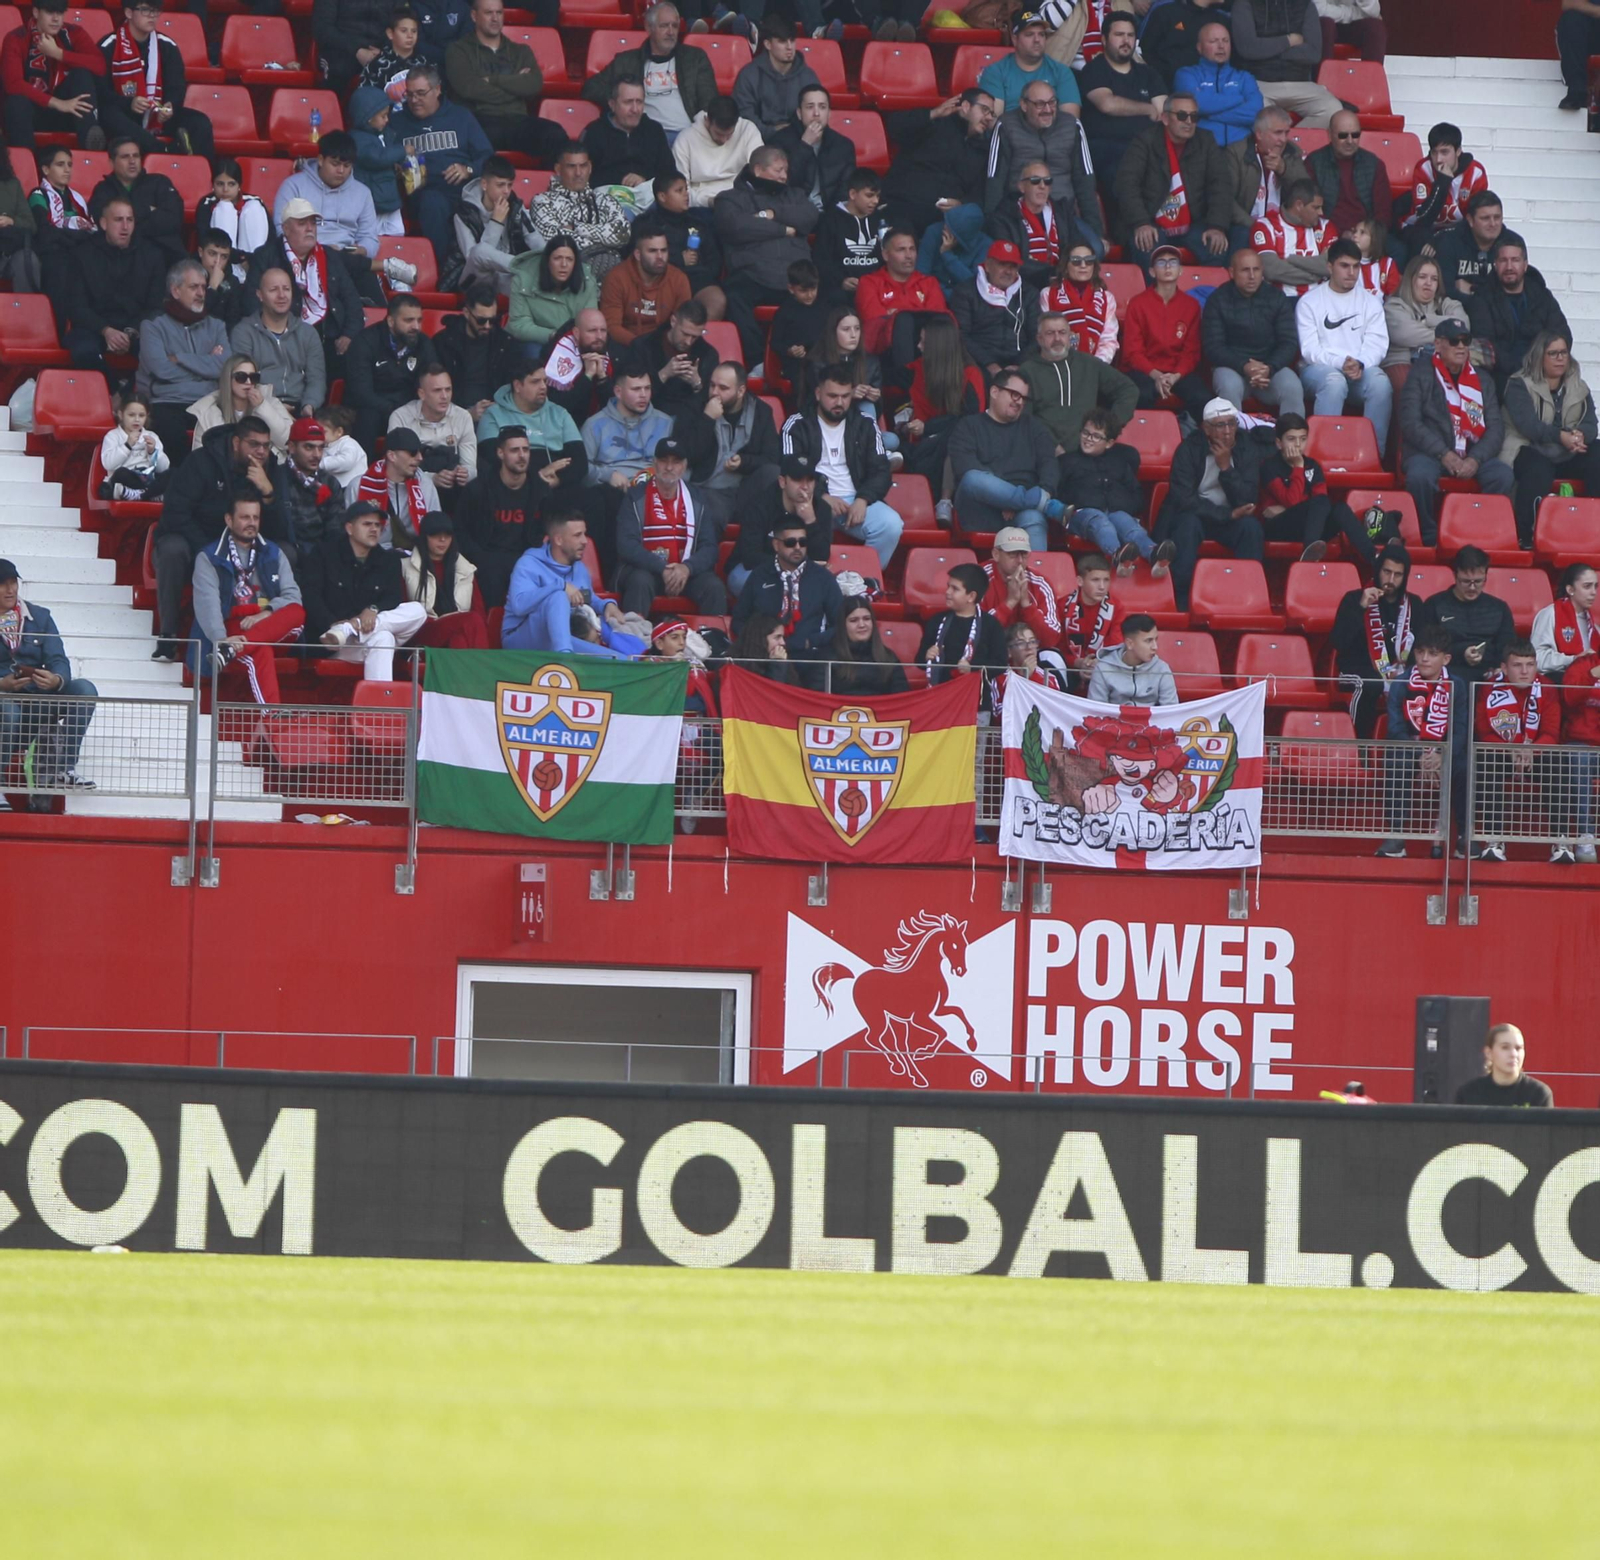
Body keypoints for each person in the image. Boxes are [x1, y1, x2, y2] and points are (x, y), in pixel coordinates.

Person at [151, 415, 280, 657]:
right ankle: (168, 634)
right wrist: (211, 551)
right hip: (195, 543)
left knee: (287, 552)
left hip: (245, 548)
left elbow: (280, 528)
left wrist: (269, 493)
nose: (261, 452)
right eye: (254, 444)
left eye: (266, 445)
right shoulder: (201, 462)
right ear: (235, 443)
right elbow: (175, 514)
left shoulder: (270, 468)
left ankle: (269, 636)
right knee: (172, 549)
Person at [1399, 318, 1514, 547]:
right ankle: (1429, 537)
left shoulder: (1482, 379)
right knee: (1419, 476)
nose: (1461, 347)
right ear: (1439, 344)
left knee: (1502, 476)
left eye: (1465, 341)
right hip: (1431, 453)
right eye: (1454, 341)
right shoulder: (1420, 373)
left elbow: (1495, 427)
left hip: (1471, 453)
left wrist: (1476, 458)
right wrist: (1444, 453)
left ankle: (1476, 534)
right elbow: (1410, 422)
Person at [779, 367, 903, 567]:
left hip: (854, 500)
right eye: (833, 396)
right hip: (810, 500)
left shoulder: (865, 424)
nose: (839, 403)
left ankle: (861, 581)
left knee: (891, 525)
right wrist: (822, 496)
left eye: (845, 396)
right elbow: (789, 469)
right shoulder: (796, 425)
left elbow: (881, 470)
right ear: (818, 394)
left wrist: (863, 499)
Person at [191, 490, 304, 706]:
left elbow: (293, 596)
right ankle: (273, 716)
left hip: (269, 625)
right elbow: (208, 605)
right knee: (261, 649)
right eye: (244, 517)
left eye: (255, 517)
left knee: (297, 612)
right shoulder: (209, 556)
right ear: (229, 519)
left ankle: (231, 651)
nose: (251, 523)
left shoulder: (274, 552)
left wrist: (266, 613)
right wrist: (221, 639)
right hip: (232, 628)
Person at [0, 558, 98, 807]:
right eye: (2, 584)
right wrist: (3, 685)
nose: (10, 590)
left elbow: (57, 658)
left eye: (13, 583)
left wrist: (56, 680)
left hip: (38, 700)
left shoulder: (40, 616)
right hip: (5, 703)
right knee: (9, 708)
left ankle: (63, 770)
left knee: (85, 689)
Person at [1156, 396, 1265, 610]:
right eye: (1220, 425)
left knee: (1251, 528)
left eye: (1231, 423)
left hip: (1229, 516)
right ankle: (1180, 600)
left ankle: (1245, 598)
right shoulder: (1188, 449)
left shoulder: (1247, 448)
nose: (1227, 431)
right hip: (1194, 515)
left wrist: (1226, 468)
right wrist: (1226, 515)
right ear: (1206, 428)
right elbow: (1183, 499)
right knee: (1187, 527)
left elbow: (1248, 498)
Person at [1113, 94, 1239, 276]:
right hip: (1151, 220)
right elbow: (1126, 184)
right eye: (1181, 116)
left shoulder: (1206, 140)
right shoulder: (1145, 140)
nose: (1189, 122)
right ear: (1165, 118)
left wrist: (1217, 226)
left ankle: (1205, 299)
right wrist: (1140, 223)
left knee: (1216, 247)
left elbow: (1220, 185)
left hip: (1193, 222)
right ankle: (1155, 302)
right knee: (1149, 247)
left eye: (1194, 117)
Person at [303, 503, 429, 682]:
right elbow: (311, 597)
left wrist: (373, 609)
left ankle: (349, 629)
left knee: (417, 611)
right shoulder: (324, 554)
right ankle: (381, 709)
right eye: (367, 524)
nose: (374, 529)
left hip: (367, 634)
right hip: (334, 642)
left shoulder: (389, 560)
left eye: (377, 525)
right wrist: (331, 623)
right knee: (384, 639)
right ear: (349, 528)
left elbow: (393, 598)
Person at [715, 147, 820, 359]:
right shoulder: (730, 198)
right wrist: (784, 229)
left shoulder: (795, 195)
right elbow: (736, 227)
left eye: (786, 171)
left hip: (795, 278)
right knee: (733, 298)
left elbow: (809, 216)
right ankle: (757, 359)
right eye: (779, 170)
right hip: (753, 276)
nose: (784, 176)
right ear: (758, 169)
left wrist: (772, 214)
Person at [948, 366, 1068, 548]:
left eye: (1024, 398)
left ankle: (1036, 575)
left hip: (1023, 511)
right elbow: (964, 466)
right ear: (995, 391)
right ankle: (1039, 502)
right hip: (980, 510)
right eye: (1014, 394)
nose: (1019, 402)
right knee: (972, 477)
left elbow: (1049, 464)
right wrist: (1005, 498)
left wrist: (1019, 500)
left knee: (1034, 518)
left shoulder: (1034, 428)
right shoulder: (968, 426)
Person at [501, 505, 644, 657]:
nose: (585, 541)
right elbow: (519, 605)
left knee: (619, 660)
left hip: (561, 639)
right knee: (558, 596)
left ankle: (566, 654)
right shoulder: (529, 564)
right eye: (577, 535)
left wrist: (606, 605)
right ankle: (566, 662)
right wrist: (560, 587)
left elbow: (587, 597)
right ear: (558, 539)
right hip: (519, 639)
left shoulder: (580, 568)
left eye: (584, 534)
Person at [1376, 621, 1467, 858]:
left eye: (1432, 654)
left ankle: (1464, 837)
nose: (1424, 659)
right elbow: (1395, 729)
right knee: (1396, 759)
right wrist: (1422, 756)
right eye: (1420, 652)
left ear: (1445, 659)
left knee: (1465, 764)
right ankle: (1396, 836)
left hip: (1443, 749)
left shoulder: (1457, 685)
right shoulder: (1401, 683)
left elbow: (1460, 729)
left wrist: (1439, 755)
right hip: (1410, 747)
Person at [247, 198, 365, 377]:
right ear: (286, 228)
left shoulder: (329, 256)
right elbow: (251, 302)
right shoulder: (267, 256)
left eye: (313, 223)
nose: (310, 228)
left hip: (329, 339)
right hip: (285, 338)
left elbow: (352, 301)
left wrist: (348, 335)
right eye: (302, 223)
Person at [388, 64, 493, 267]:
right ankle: (443, 269)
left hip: (462, 190)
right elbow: (384, 157)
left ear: (437, 90)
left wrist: (468, 169)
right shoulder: (396, 122)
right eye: (409, 94)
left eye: (421, 93)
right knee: (432, 202)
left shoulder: (460, 116)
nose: (414, 100)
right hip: (422, 191)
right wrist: (395, 167)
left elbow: (487, 156)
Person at [1502, 335, 1600, 550]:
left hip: (1566, 450)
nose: (1560, 359)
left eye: (1563, 352)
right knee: (1538, 468)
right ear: (1539, 356)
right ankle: (1527, 535)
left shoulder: (1578, 385)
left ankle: (1595, 523)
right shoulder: (1519, 384)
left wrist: (1581, 435)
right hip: (1527, 446)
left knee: (1598, 453)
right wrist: (1561, 437)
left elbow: (1591, 422)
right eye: (1553, 353)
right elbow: (1528, 426)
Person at [1295, 238, 1392, 453]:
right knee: (1334, 381)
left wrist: (1360, 363)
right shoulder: (1309, 302)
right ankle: (1323, 455)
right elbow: (1310, 350)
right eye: (1344, 266)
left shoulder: (1371, 302)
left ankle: (1372, 456)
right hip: (1317, 372)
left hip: (1359, 370)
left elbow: (1377, 343)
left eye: (1356, 266)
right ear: (1330, 267)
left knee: (1380, 383)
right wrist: (1342, 363)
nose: (1352, 272)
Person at [612, 436, 725, 616]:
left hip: (686, 572)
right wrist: (661, 568)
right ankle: (634, 640)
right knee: (640, 581)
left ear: (685, 465)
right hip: (648, 570)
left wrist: (688, 568)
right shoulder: (636, 496)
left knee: (714, 587)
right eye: (664, 461)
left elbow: (710, 547)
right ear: (654, 463)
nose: (669, 467)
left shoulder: (697, 498)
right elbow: (626, 545)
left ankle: (712, 641)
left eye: (676, 462)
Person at [1474, 638, 1562, 863]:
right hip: (1503, 754)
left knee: (1560, 764)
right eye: (1517, 665)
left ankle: (1561, 841)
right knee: (1486, 760)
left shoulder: (1548, 687)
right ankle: (1494, 839)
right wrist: (1510, 749)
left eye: (1530, 665)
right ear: (1504, 667)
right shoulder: (1489, 688)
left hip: (1536, 754)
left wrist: (1532, 750)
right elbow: (1484, 732)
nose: (1525, 671)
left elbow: (1551, 732)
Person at [444, 0, 565, 165]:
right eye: (488, 13)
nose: (495, 18)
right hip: (481, 122)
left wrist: (493, 80)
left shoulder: (521, 51)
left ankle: (546, 188)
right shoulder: (458, 50)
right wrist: (516, 88)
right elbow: (469, 89)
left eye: (499, 13)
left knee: (556, 135)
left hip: (517, 121)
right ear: (474, 16)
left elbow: (534, 85)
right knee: (465, 141)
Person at [63, 195, 165, 381]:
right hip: (94, 328)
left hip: (135, 329)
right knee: (83, 350)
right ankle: (114, 394)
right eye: (118, 220)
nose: (125, 227)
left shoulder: (152, 256)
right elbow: (76, 306)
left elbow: (155, 306)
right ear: (103, 223)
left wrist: (130, 332)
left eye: (130, 220)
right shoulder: (82, 255)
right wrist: (105, 330)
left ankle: (131, 398)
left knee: (160, 352)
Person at [95, 0, 213, 161]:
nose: (152, 16)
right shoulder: (108, 45)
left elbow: (176, 86)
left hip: (156, 114)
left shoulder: (167, 45)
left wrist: (170, 105)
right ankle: (164, 150)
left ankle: (205, 175)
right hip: (124, 113)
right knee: (107, 114)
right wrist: (128, 103)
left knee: (200, 122)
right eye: (145, 10)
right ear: (129, 13)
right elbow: (100, 91)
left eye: (156, 10)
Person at [730, 513, 842, 680]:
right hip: (764, 662)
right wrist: (760, 643)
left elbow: (840, 626)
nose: (798, 547)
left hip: (809, 660)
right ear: (776, 544)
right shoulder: (760, 575)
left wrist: (810, 642)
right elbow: (739, 621)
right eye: (790, 543)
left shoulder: (823, 578)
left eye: (803, 542)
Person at [1058, 412, 1175, 570]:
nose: (1088, 439)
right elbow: (1057, 493)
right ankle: (1118, 556)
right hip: (1082, 514)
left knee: (1130, 526)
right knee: (1102, 524)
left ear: (1109, 443)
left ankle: (1154, 554)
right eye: (1086, 433)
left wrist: (1123, 506)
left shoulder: (1119, 463)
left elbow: (1136, 494)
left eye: (1096, 436)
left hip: (1115, 511)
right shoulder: (1066, 462)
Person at [137, 257, 230, 456]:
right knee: (170, 436)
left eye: (204, 287)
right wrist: (206, 366)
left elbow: (225, 367)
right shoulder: (153, 326)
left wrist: (180, 358)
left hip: (207, 402)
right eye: (193, 287)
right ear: (175, 290)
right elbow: (161, 370)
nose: (201, 293)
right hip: (167, 402)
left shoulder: (216, 326)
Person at [985, 82, 1097, 245]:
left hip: (1063, 215)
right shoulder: (1006, 125)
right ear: (1024, 105)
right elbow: (995, 178)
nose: (1048, 109)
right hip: (1018, 213)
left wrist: (1095, 229)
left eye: (1052, 102)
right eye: (1039, 104)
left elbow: (1085, 181)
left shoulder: (1072, 125)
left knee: (1095, 248)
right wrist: (992, 226)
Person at [880, 88, 996, 244]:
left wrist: (961, 203)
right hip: (904, 207)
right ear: (966, 106)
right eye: (985, 110)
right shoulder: (935, 123)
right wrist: (932, 114)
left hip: (943, 222)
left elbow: (979, 192)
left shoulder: (982, 150)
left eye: (992, 114)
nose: (988, 118)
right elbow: (895, 127)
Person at [1257, 412, 1373, 564]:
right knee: (1319, 502)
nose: (1298, 445)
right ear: (1279, 443)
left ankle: (1374, 558)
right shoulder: (1269, 466)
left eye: (1303, 439)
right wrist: (1298, 467)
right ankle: (1309, 551)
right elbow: (1292, 500)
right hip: (1278, 527)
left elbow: (1321, 503)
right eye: (1291, 439)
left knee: (1340, 508)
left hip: (1309, 525)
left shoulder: (1313, 466)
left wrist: (1285, 507)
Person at [583, 1, 716, 133]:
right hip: (643, 137)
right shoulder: (626, 61)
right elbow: (591, 88)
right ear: (648, 28)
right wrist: (620, 100)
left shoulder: (695, 58)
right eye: (664, 26)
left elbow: (710, 102)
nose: (670, 32)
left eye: (675, 26)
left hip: (686, 135)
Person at [1331, 540, 1421, 735]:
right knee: (1371, 682)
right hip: (1356, 670)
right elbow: (1339, 642)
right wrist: (1361, 607)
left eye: (1397, 575)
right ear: (1378, 570)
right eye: (1386, 572)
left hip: (1399, 671)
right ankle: (1358, 748)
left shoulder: (1414, 604)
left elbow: (1421, 644)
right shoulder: (1354, 598)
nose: (1391, 579)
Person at [1203, 246, 1305, 415]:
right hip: (1232, 368)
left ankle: (1291, 439)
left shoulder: (1276, 297)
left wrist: (1269, 368)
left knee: (1292, 386)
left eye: (1256, 270)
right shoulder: (1217, 300)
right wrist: (1244, 366)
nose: (1252, 276)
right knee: (1228, 386)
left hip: (1269, 369)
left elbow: (1288, 342)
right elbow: (1213, 347)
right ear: (1231, 272)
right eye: (1245, 270)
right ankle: (1236, 440)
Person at [1077, 11, 1165, 204]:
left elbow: (1163, 113)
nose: (1126, 41)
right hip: (1107, 151)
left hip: (1146, 148)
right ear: (1104, 39)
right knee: (1126, 180)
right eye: (1119, 35)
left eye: (1130, 35)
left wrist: (1154, 111)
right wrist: (1147, 109)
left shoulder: (1148, 74)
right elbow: (1107, 104)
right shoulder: (1093, 70)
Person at [1018, 311, 1138, 453]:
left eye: (1062, 332)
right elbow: (1025, 418)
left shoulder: (1088, 363)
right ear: (1039, 339)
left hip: (1088, 449)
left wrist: (1108, 427)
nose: (1057, 338)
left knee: (1130, 455)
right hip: (1047, 452)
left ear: (1070, 337)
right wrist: (1052, 447)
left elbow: (1128, 390)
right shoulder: (1027, 371)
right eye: (1050, 333)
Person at [451, 426, 543, 607]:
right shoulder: (477, 489)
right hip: (487, 558)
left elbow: (547, 529)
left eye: (525, 450)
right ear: (500, 453)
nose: (522, 455)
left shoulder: (540, 490)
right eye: (514, 450)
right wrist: (481, 559)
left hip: (526, 557)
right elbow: (460, 531)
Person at [1467, 240, 1571, 398]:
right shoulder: (1482, 297)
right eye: (1503, 260)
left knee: (1573, 373)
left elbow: (1562, 334)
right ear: (1495, 264)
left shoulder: (1542, 295)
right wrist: (1521, 370)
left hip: (1542, 372)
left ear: (1525, 265)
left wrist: (1539, 366)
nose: (1509, 267)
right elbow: (1485, 343)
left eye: (1515, 260)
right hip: (1501, 376)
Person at [1119, 243, 1208, 423]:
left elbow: (1191, 352)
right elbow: (1132, 352)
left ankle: (1194, 441)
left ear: (1181, 270)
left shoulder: (1191, 305)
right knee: (1140, 394)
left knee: (1202, 398)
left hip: (1178, 372)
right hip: (1146, 371)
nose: (1168, 266)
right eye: (1161, 263)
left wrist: (1174, 376)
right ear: (1151, 272)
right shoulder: (1137, 303)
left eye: (1173, 262)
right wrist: (1157, 375)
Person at [0, 0, 106, 151]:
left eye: (60, 12)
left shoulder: (74, 33)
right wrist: (56, 103)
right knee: (16, 101)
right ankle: (27, 161)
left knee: (81, 75)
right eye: (50, 12)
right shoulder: (16, 38)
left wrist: (59, 54)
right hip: (32, 113)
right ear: (36, 12)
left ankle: (91, 146)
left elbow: (100, 66)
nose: (56, 19)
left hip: (68, 113)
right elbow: (13, 84)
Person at [990, 161, 1104, 298]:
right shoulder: (1005, 216)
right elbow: (1010, 261)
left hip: (1062, 284)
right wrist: (1053, 272)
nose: (1042, 186)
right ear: (1021, 187)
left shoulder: (1062, 213)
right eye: (1035, 181)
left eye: (1047, 181)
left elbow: (1077, 246)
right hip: (1023, 287)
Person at [727, 450, 830, 597]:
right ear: (782, 482)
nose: (805, 487)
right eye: (798, 480)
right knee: (745, 581)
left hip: (802, 574)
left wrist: (810, 521)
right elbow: (750, 557)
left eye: (810, 480)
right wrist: (790, 567)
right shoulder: (760, 505)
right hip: (756, 569)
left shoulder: (821, 509)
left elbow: (822, 556)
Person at [344, 293, 437, 451]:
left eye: (419, 320)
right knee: (368, 417)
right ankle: (362, 472)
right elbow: (361, 393)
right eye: (409, 320)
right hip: (373, 410)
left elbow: (431, 380)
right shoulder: (365, 342)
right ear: (391, 321)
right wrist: (394, 410)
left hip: (409, 410)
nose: (416, 327)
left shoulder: (423, 343)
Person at [1229, 0, 1343, 129]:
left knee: (1334, 110)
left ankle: (1292, 143)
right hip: (1260, 83)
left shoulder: (1305, 5)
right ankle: (1281, 143)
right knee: (1258, 111)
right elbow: (1248, 49)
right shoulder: (1244, 4)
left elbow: (1313, 53)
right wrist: (1288, 41)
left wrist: (1266, 49)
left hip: (1300, 83)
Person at [673, 359, 779, 496]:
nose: (715, 392)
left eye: (723, 388)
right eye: (712, 385)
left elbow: (772, 458)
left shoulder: (761, 412)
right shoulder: (695, 406)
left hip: (744, 489)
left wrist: (744, 462)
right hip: (705, 489)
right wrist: (708, 419)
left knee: (773, 473)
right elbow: (684, 455)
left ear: (740, 391)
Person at [230, 268, 328, 418]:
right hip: (258, 407)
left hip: (301, 408)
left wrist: (309, 406)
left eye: (286, 289)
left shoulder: (307, 333)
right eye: (273, 290)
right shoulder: (244, 332)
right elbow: (244, 380)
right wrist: (271, 406)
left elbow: (317, 379)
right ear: (260, 295)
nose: (282, 295)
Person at [855, 226, 949, 370]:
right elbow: (874, 324)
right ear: (886, 255)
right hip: (886, 357)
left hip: (928, 353)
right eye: (901, 250)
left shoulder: (929, 282)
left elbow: (938, 322)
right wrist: (905, 317)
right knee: (903, 321)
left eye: (912, 249)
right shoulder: (869, 283)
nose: (909, 255)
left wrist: (895, 313)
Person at [475, 361, 587, 482]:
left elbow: (580, 463)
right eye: (535, 382)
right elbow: (491, 459)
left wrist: (558, 480)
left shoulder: (560, 414)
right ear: (517, 386)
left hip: (556, 484)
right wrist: (539, 477)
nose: (543, 386)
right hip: (513, 487)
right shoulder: (493, 414)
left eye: (544, 381)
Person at [1416, 543, 1514, 676]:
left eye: (1478, 581)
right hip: (1448, 672)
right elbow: (1426, 647)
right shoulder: (1434, 605)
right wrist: (1462, 653)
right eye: (1466, 581)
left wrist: (1490, 660)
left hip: (1488, 672)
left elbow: (1507, 648)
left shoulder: (1499, 608)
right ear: (1455, 576)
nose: (1472, 588)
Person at [952, 241, 1041, 380]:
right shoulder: (965, 292)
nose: (1008, 271)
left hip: (1021, 363)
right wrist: (990, 365)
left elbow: (1037, 335)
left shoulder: (1029, 293)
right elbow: (960, 335)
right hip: (979, 363)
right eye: (1002, 264)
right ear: (987, 266)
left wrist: (1019, 365)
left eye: (1013, 266)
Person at [432, 284, 521, 423]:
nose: (487, 326)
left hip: (497, 414)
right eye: (481, 320)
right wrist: (467, 414)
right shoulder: (444, 342)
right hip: (453, 414)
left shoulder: (505, 343)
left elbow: (513, 386)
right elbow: (433, 388)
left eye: (492, 320)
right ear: (467, 313)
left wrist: (499, 407)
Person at [88, 134, 184, 263]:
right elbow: (105, 225)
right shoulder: (103, 189)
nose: (132, 161)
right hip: (119, 259)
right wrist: (148, 210)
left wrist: (129, 222)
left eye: (136, 156)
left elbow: (173, 220)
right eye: (125, 157)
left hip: (164, 255)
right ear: (111, 163)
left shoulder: (159, 182)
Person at [402, 510, 490, 649]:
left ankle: (463, 670)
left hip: (457, 628)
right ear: (425, 537)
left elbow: (479, 610)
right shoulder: (406, 567)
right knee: (471, 619)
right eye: (436, 534)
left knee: (459, 640)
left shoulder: (465, 569)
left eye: (447, 535)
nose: (442, 540)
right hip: (422, 630)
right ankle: (482, 667)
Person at [918, 563, 1008, 700]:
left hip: (977, 702)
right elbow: (918, 661)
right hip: (939, 699)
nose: (947, 592)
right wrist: (927, 656)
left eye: (955, 589)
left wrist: (973, 667)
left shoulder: (991, 625)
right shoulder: (936, 621)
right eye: (948, 586)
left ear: (971, 596)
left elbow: (1000, 665)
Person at [390, 365, 478, 504]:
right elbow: (397, 467)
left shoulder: (463, 416)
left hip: (453, 485)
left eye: (448, 389)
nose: (444, 396)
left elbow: (471, 466)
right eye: (437, 390)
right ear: (422, 394)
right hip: (414, 484)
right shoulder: (400, 417)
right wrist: (432, 479)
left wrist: (464, 474)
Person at [1399, 121, 1487, 260]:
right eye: (1434, 152)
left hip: (1457, 231)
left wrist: (1442, 237)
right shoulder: (1423, 169)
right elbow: (1423, 218)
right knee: (1421, 241)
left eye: (1445, 152)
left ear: (1458, 151)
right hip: (1420, 228)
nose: (1439, 159)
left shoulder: (1476, 173)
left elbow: (1474, 220)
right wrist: (1442, 182)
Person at [450, 155, 538, 291]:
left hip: (510, 276)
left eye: (509, 185)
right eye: (500, 185)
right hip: (477, 281)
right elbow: (474, 259)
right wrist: (496, 222)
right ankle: (523, 266)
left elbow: (534, 237)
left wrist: (550, 259)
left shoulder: (514, 205)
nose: (506, 191)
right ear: (484, 184)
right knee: (479, 251)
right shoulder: (464, 213)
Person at [28, 145, 94, 326]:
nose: (67, 169)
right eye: (60, 164)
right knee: (62, 267)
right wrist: (76, 236)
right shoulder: (38, 195)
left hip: (76, 252)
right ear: (45, 169)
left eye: (70, 165)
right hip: (52, 255)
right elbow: (45, 232)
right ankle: (58, 330)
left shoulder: (77, 199)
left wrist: (71, 235)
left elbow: (90, 231)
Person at [347, 426, 440, 551]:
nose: (420, 458)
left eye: (420, 452)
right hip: (372, 557)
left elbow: (436, 529)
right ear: (392, 456)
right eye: (412, 453)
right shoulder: (358, 486)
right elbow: (349, 534)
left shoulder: (425, 485)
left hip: (415, 558)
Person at [1175, 20, 1263, 149]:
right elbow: (1196, 105)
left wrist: (1206, 114)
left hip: (1242, 148)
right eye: (1213, 41)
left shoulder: (1244, 77)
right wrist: (1238, 99)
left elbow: (1255, 114)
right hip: (1202, 147)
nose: (1221, 46)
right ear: (1199, 48)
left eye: (1225, 41)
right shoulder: (1186, 74)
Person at [1304, 111, 1391, 240]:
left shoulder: (1374, 164)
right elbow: (1309, 210)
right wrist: (1337, 234)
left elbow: (1383, 214)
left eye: (1355, 135)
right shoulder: (1314, 163)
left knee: (1398, 251)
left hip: (1367, 237)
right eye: (1343, 135)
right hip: (1325, 235)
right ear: (1329, 134)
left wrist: (1365, 236)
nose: (1350, 141)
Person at [978, 11, 1082, 116]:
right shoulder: (995, 72)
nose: (1037, 40)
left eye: (1041, 34)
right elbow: (994, 121)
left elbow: (1070, 121)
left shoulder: (1061, 72)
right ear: (1014, 39)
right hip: (1010, 131)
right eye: (1029, 34)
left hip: (1052, 131)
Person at [601, 227, 691, 348]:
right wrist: (640, 345)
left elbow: (683, 324)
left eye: (664, 250)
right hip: (626, 346)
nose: (660, 256)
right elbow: (611, 326)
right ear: (638, 254)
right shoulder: (616, 278)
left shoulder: (679, 279)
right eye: (653, 251)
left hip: (664, 347)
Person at [586, 75, 676, 196]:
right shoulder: (595, 132)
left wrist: (644, 180)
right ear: (612, 104)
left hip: (650, 199)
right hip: (610, 199)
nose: (635, 109)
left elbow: (669, 175)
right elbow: (585, 177)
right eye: (628, 102)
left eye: (639, 102)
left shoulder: (654, 130)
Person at [508, 235, 598, 352]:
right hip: (539, 341)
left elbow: (590, 323)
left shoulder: (587, 282)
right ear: (547, 260)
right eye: (557, 258)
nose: (564, 264)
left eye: (569, 259)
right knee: (532, 350)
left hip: (576, 341)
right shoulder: (523, 279)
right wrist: (554, 335)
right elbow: (518, 324)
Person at [1433, 190, 1525, 305]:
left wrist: (1472, 289)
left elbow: (1517, 290)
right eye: (1485, 218)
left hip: (1502, 316)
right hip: (1460, 313)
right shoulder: (1450, 242)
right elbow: (1445, 291)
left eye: (1497, 217)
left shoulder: (1513, 243)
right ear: (1470, 220)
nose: (1493, 224)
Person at [189, 353, 295, 452]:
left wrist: (262, 406)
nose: (248, 382)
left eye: (253, 377)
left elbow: (287, 441)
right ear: (228, 379)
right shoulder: (207, 412)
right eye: (241, 377)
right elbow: (200, 458)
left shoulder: (270, 402)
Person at [673, 94, 764, 208]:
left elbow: (761, 174)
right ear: (707, 121)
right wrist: (709, 201)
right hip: (701, 204)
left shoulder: (748, 130)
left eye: (729, 134)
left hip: (742, 199)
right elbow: (680, 190)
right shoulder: (685, 140)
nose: (724, 140)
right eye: (719, 134)